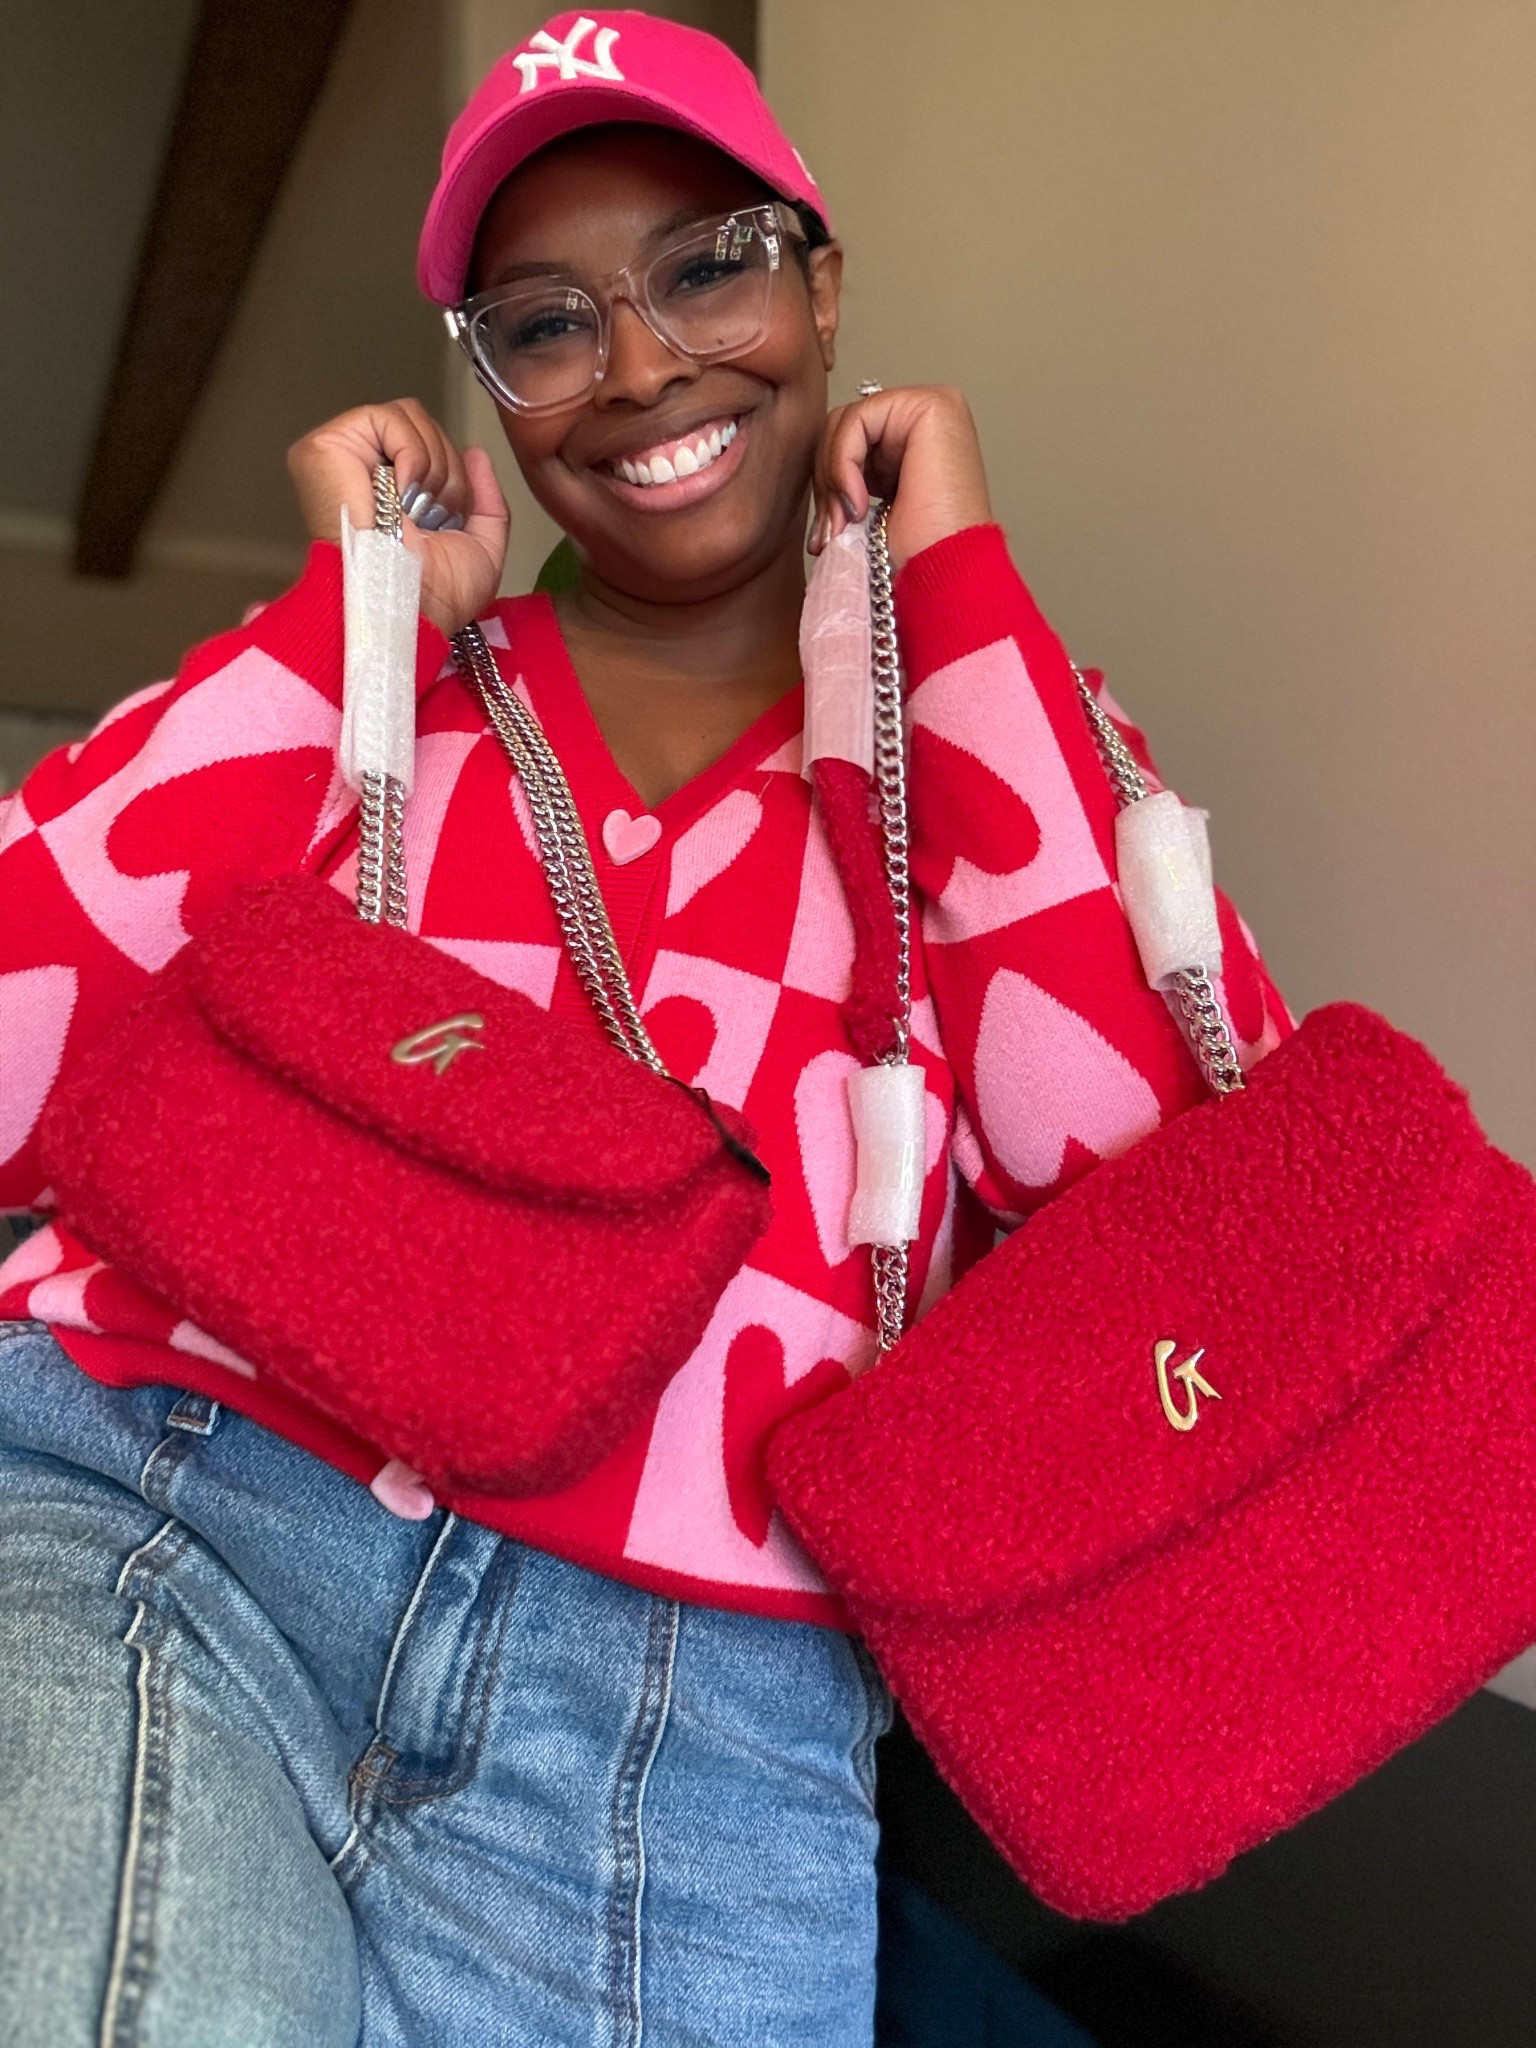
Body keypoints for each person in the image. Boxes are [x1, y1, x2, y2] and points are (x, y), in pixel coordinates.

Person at [0, 12, 1289, 2043]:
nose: (638, 364)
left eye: (709, 267)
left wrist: (952, 583)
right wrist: (346, 616)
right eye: (545, 322)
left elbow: (1159, 1194)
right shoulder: (386, 684)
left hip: (693, 1729)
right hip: (178, 1523)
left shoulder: (994, 731)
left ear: (824, 285)